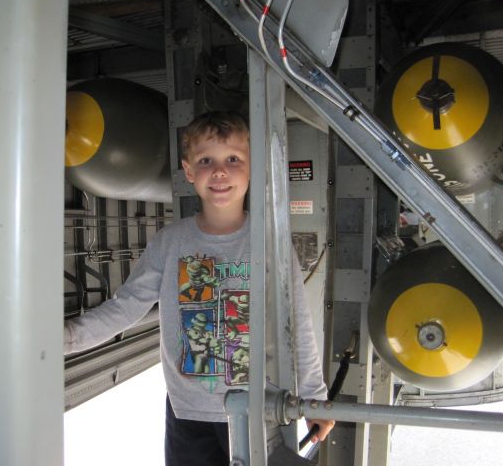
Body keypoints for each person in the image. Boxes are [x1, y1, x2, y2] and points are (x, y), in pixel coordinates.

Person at [64, 110, 334, 465]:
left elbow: (297, 324)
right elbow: (126, 307)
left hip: (257, 408)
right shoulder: (169, 242)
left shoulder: (273, 245)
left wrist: (314, 397)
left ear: (252, 168)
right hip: (187, 413)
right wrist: (66, 339)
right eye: (206, 160)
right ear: (189, 171)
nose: (219, 171)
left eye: (233, 159)